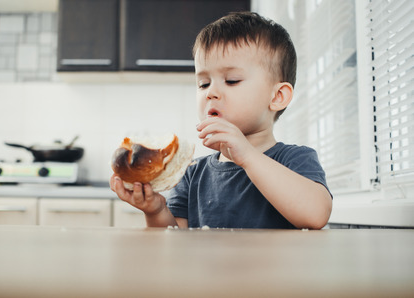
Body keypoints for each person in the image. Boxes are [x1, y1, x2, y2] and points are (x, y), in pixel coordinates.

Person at [110, 12, 333, 230]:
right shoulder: (192, 173)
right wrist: (156, 211)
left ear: (277, 97)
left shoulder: (294, 160)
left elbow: (316, 215)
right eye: (204, 83)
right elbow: (175, 240)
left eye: (232, 80)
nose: (211, 93)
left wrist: (246, 155)